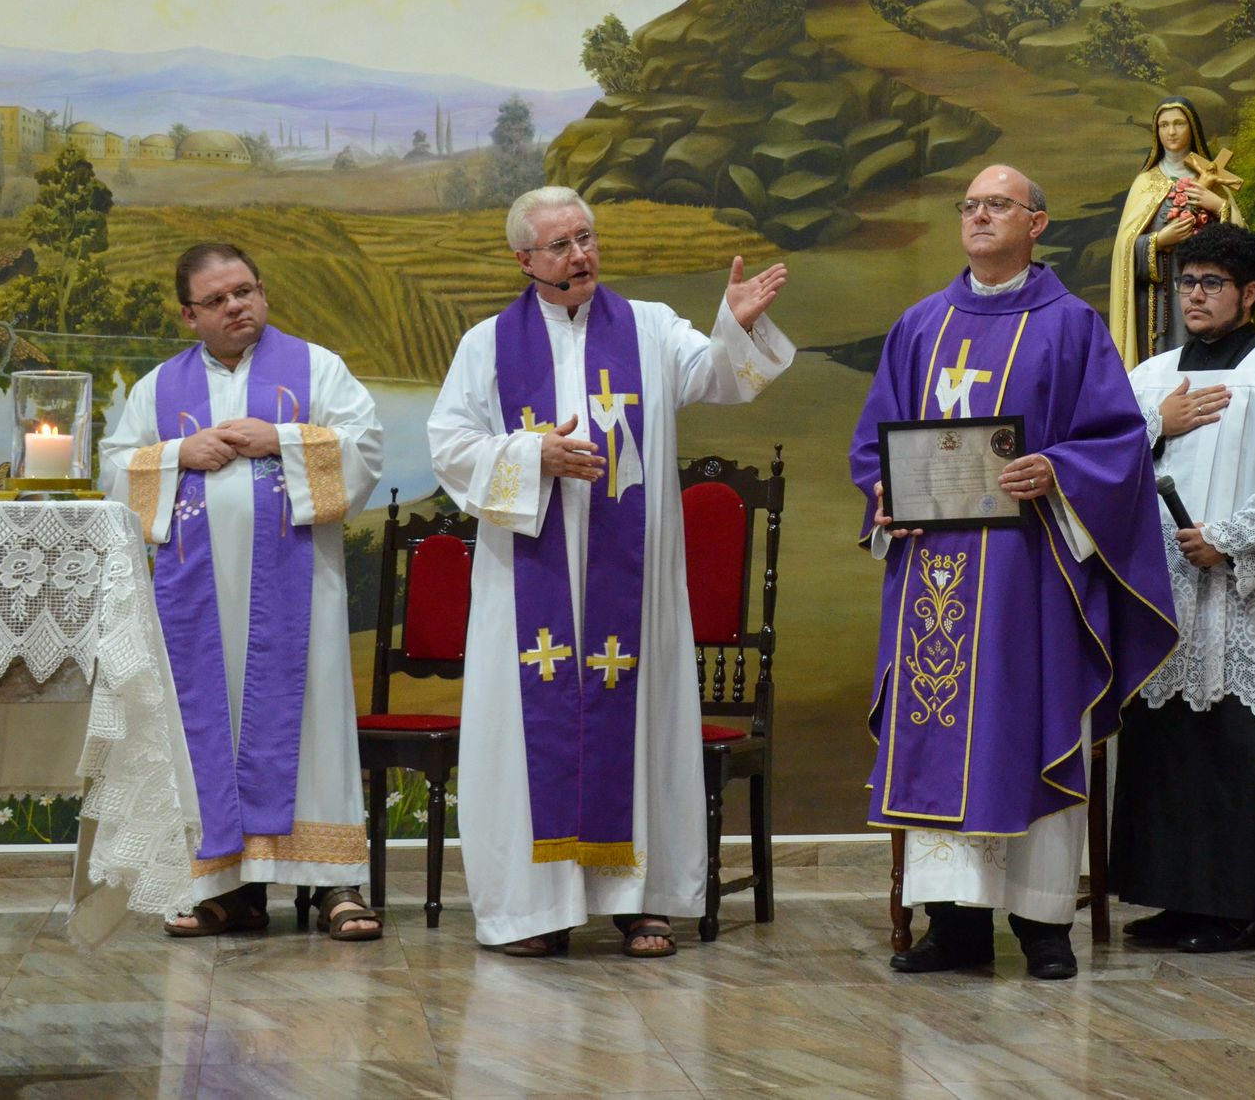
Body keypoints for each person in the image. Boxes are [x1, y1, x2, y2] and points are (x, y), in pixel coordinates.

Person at [427, 185, 793, 958]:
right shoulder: (487, 345)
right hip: (529, 578)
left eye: (586, 237)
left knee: (642, 723)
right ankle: (535, 908)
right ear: (523, 259)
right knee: (531, 732)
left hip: (633, 578)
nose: (580, 254)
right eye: (560, 244)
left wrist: (735, 324)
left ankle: (642, 900)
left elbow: (720, 378)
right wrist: (532, 454)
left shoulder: (649, 327)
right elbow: (450, 447)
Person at [853, 163, 1178, 981]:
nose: (979, 216)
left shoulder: (1071, 326)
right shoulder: (920, 326)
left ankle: (1043, 926)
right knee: (939, 733)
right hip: (933, 575)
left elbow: (1117, 444)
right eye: (969, 205)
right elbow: (874, 445)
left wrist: (1056, 470)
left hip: (1030, 575)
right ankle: (953, 924)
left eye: (998, 204)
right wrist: (885, 493)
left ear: (1036, 223)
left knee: (1030, 725)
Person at [102, 242, 385, 941]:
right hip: (197, 602)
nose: (236, 306)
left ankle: (335, 883)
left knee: (311, 723)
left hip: (301, 594)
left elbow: (365, 449)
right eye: (217, 299)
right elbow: (113, 469)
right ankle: (227, 889)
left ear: (262, 292)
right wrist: (178, 454)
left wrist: (280, 439)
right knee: (210, 726)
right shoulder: (158, 389)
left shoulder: (317, 368)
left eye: (245, 291)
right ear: (188, 315)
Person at [1113, 223, 1255, 953]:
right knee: (1172, 749)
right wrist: (1154, 424)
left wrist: (1229, 539)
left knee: (1232, 746)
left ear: (1249, 293)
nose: (1195, 296)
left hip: (1249, 604)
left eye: (1212, 283)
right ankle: (1176, 899)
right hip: (1168, 600)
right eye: (1187, 282)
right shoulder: (1150, 378)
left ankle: (1238, 907)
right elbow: (1106, 463)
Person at [1108, 97, 1245, 368]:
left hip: (1208, 292)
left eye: (1179, 124)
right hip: (1160, 302)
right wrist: (1159, 241)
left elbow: (1242, 243)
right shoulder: (1145, 183)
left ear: (1192, 128)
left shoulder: (1214, 179)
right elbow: (1124, 249)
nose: (1171, 132)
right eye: (1164, 125)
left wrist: (1219, 207)